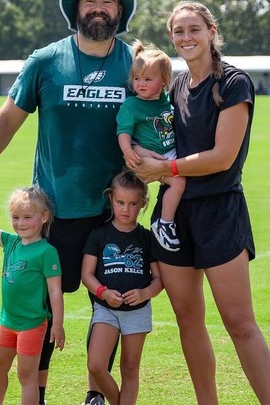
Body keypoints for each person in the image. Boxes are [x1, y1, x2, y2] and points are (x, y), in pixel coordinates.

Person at [0, 0, 137, 404]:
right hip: (55, 212)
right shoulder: (45, 61)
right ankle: (40, 392)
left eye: (108, 0)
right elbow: (8, 119)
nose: (98, 8)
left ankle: (95, 394)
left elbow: (158, 119)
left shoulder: (134, 63)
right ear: (76, 10)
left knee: (109, 306)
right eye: (90, 1)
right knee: (41, 308)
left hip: (114, 213)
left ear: (120, 11)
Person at [130, 0, 270, 404]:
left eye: (194, 29)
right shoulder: (175, 85)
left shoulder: (233, 83)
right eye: (178, 31)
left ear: (212, 32)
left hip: (219, 211)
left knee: (239, 322)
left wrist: (165, 170)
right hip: (174, 216)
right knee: (187, 318)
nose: (185, 38)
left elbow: (222, 157)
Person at [0, 184, 65, 405]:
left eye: (28, 217)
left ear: (44, 217)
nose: (21, 223)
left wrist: (58, 324)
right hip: (7, 323)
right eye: (16, 217)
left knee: (27, 377)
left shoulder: (46, 252)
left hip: (32, 325)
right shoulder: (11, 242)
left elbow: (55, 290)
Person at [81, 170, 163, 405]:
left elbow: (159, 280)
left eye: (133, 203)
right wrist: (102, 293)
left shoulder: (147, 238)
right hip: (106, 310)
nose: (126, 209)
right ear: (111, 200)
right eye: (120, 202)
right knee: (96, 364)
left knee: (129, 368)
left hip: (137, 312)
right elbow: (86, 274)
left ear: (143, 204)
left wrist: (145, 293)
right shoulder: (98, 235)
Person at [116, 40, 185, 252]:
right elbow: (123, 132)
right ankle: (165, 223)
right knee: (178, 181)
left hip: (168, 152)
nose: (140, 84)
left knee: (185, 176)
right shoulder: (132, 105)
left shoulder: (168, 100)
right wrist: (128, 151)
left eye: (147, 79)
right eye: (136, 79)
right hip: (146, 158)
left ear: (164, 81)